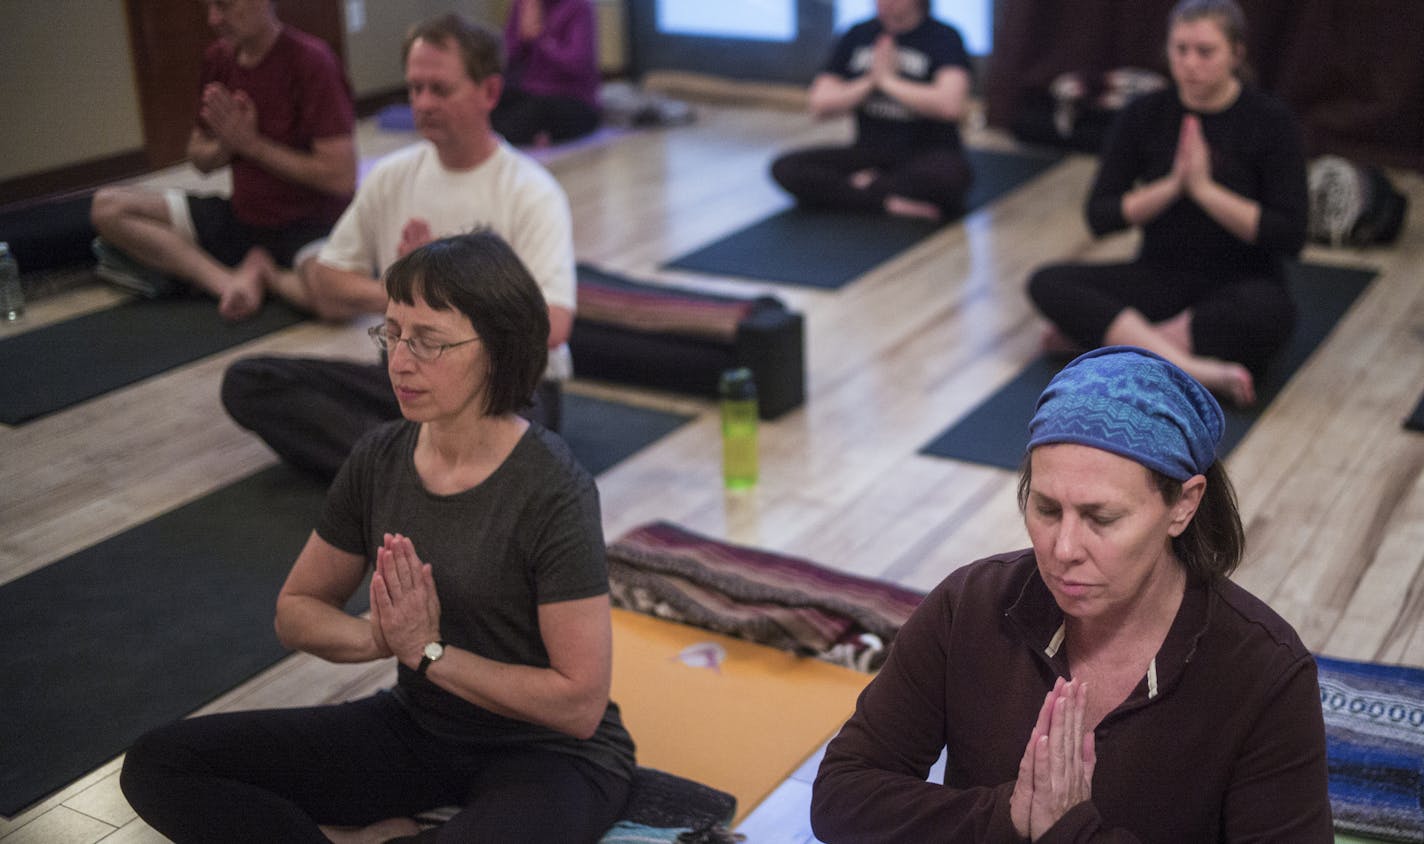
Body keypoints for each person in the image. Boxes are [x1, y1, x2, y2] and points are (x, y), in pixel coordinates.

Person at [120, 231, 636, 843]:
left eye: (428, 342)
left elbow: (578, 705)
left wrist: (431, 653)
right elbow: (297, 610)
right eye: (391, 332)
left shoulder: (554, 488)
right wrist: (380, 638)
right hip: (419, 728)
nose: (399, 360)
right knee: (161, 763)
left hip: (550, 755)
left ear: (496, 349)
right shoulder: (380, 456)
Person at [811, 345, 1332, 841]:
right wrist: (1008, 817)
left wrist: (1070, 830)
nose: (1063, 548)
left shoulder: (1264, 674)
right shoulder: (970, 605)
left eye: (1100, 518)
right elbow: (842, 795)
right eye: (1046, 509)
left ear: (1184, 505)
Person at [220, 13, 576, 479]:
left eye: (439, 89)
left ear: (489, 92)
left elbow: (553, 324)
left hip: (501, 391)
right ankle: (423, 471)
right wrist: (405, 297)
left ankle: (403, 468)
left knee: (510, 456)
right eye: (415, 88)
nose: (422, 103)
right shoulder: (392, 176)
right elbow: (325, 282)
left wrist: (438, 299)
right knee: (250, 382)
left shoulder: (531, 190)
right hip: (407, 383)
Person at [1026, 0, 1308, 407]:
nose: (1190, 63)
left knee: (1273, 315)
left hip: (1239, 286)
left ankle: (1120, 343)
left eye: (1205, 51)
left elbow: (1289, 235)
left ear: (1237, 53)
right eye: (1180, 50)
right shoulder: (1145, 114)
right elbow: (1101, 216)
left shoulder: (1271, 120)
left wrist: (1205, 190)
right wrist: (1173, 185)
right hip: (1158, 276)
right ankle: (1189, 367)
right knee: (1047, 282)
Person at [90, 0, 355, 321]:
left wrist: (253, 145)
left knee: (335, 303)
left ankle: (265, 273)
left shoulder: (313, 61)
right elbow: (199, 159)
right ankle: (226, 282)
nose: (214, 19)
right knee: (108, 207)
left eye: (225, 6)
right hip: (242, 219)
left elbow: (340, 177)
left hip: (310, 227)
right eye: (210, 6)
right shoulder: (218, 59)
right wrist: (227, 146)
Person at [769, 0, 973, 221]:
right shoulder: (859, 34)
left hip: (925, 154)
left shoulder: (944, 36)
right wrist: (870, 81)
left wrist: (888, 81)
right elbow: (820, 104)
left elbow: (950, 106)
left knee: (950, 177)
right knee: (786, 167)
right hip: (868, 152)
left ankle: (863, 188)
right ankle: (884, 199)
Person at [492, 0, 602, 146]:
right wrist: (523, 38)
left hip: (571, 98)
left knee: (532, 112)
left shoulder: (579, 6)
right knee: (489, 100)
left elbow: (576, 64)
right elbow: (506, 60)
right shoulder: (524, 5)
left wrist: (541, 38)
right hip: (529, 91)